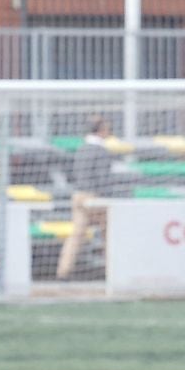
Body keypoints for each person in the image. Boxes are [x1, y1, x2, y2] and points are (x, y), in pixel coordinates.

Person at [56, 116, 120, 280]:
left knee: (77, 234)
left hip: (78, 195)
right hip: (94, 197)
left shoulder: (81, 149)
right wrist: (107, 197)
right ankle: (113, 270)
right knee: (109, 232)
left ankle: (63, 271)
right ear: (101, 130)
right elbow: (103, 178)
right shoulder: (101, 150)